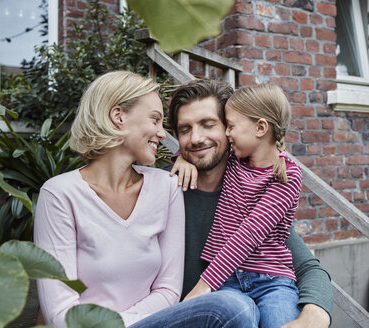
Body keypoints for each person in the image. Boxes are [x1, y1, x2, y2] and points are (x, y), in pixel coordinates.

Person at [131, 79, 332, 328]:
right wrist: (178, 160)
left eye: (208, 125)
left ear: (230, 129)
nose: (195, 138)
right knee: (237, 308)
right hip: (189, 316)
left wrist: (315, 314)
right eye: (185, 130)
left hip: (254, 297)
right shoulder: (161, 187)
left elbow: (307, 267)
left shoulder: (253, 190)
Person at [33, 71, 186, 327]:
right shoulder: (59, 195)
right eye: (155, 119)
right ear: (118, 116)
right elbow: (59, 313)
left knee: (229, 306)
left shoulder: (166, 187)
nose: (162, 133)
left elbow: (169, 291)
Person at [179, 83, 302, 327]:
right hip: (228, 283)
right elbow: (202, 150)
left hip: (272, 281)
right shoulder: (235, 160)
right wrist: (182, 159)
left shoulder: (287, 174)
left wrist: (204, 286)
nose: (227, 134)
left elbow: (249, 234)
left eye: (232, 126)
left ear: (260, 128)